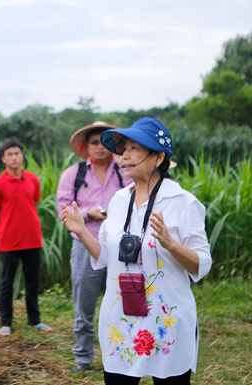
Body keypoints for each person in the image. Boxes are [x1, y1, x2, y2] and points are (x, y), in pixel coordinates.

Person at [61, 117, 212, 384]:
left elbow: (202, 264)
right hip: (121, 319)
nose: (123, 156)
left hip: (166, 320)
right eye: (124, 149)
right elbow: (105, 255)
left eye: (134, 149)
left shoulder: (184, 203)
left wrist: (170, 244)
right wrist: (82, 231)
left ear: (158, 158)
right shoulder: (119, 200)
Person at [56, 121, 130, 372]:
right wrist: (88, 213)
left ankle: (123, 353)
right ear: (85, 146)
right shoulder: (72, 174)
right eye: (94, 142)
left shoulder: (124, 171)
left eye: (105, 142)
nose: (100, 146)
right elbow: (62, 210)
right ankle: (83, 358)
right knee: (83, 306)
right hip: (84, 247)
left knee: (124, 302)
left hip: (121, 248)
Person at [0, 138, 52, 337]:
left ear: (22, 156)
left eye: (17, 153)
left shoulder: (33, 179)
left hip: (33, 238)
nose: (14, 157)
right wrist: (8, 226)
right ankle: (6, 322)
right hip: (9, 241)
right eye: (10, 154)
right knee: (7, 282)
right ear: (3, 159)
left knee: (32, 282)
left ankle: (35, 320)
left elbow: (34, 204)